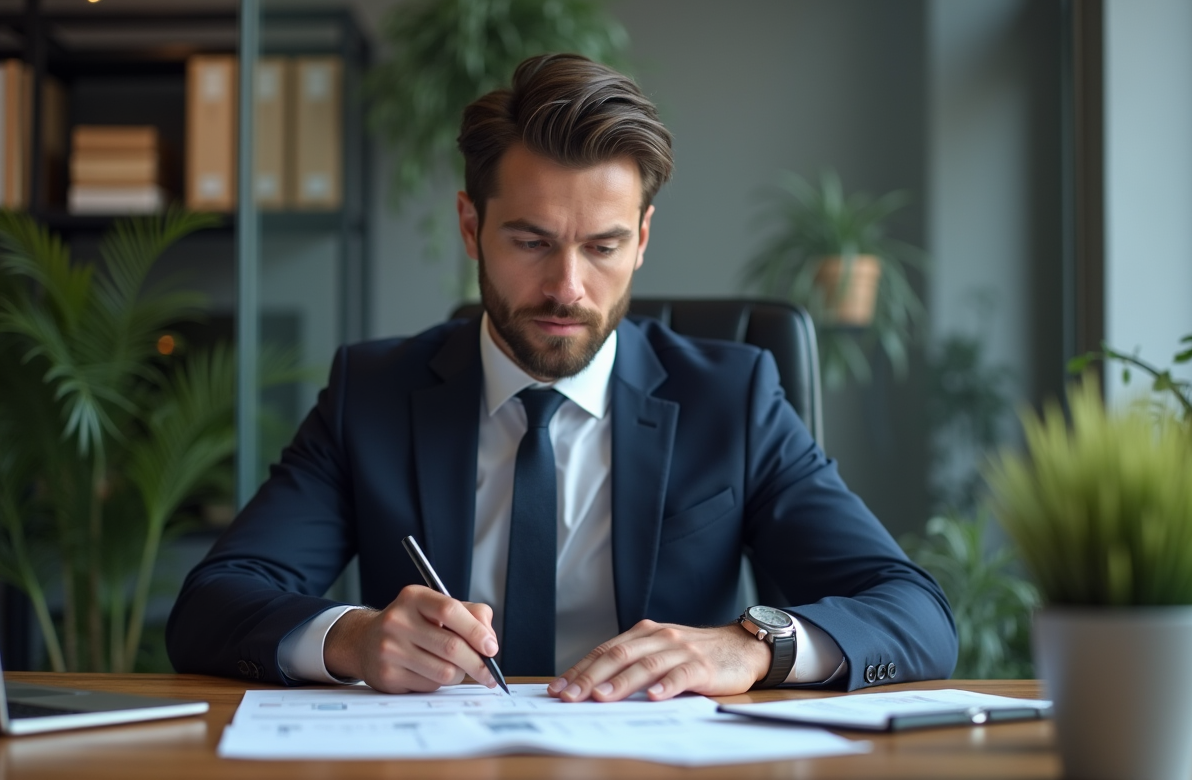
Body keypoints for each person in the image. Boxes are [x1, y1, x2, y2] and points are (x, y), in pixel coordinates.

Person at [167, 53, 956, 702]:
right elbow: (213, 605)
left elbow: (915, 613)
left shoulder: (735, 398)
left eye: (603, 247)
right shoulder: (371, 394)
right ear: (471, 227)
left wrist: (752, 648)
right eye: (532, 241)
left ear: (643, 238)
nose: (568, 288)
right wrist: (352, 637)